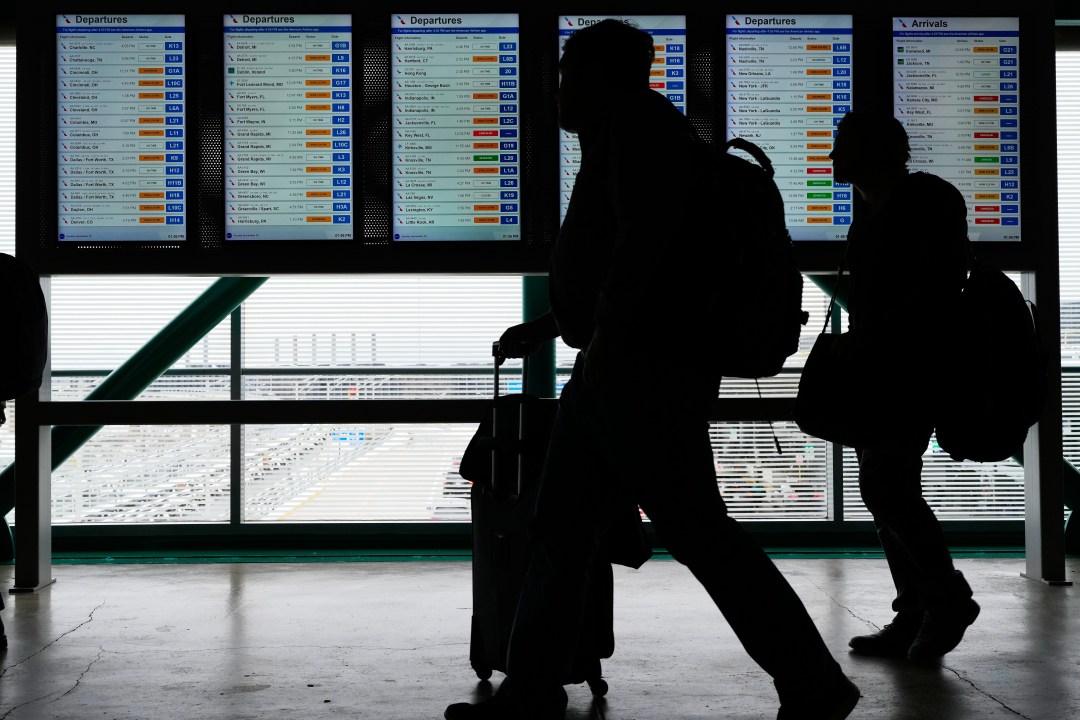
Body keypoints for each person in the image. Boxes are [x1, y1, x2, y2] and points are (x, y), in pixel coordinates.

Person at [445, 19, 859, 720]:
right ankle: (531, 687)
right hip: (624, 366)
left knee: (693, 532)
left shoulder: (639, 131)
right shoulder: (633, 133)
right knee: (565, 529)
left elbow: (645, 253)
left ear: (603, 76)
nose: (559, 91)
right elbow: (621, 261)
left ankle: (813, 682)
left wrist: (601, 342)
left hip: (637, 372)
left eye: (570, 75)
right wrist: (553, 325)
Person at [827, 111, 980, 660]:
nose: (831, 156)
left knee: (887, 488)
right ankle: (917, 608)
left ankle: (944, 600)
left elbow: (939, 288)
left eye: (842, 145)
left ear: (874, 150)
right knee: (886, 488)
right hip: (884, 369)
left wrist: (875, 336)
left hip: (915, 367)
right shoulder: (875, 209)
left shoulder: (922, 202)